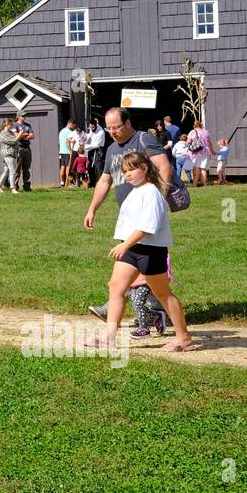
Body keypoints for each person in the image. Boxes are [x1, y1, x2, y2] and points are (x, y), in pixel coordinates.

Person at [90, 150, 193, 352]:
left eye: (131, 170)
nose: (127, 175)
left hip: (150, 250)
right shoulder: (135, 191)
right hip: (131, 248)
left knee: (163, 293)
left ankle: (184, 338)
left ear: (144, 168)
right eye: (124, 171)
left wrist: (124, 245)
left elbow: (147, 227)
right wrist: (126, 244)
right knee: (116, 286)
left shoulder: (152, 192)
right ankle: (109, 337)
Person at [84, 107, 174, 335]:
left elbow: (164, 167)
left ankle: (160, 312)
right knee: (135, 270)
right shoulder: (112, 148)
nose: (112, 132)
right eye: (109, 128)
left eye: (116, 127)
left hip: (146, 215)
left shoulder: (144, 139)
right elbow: (105, 180)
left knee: (145, 264)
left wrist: (159, 203)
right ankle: (155, 310)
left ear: (127, 123)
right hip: (129, 216)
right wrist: (92, 209)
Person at [186, 119, 213, 187]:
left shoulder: (192, 132)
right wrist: (212, 151)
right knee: (203, 169)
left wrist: (187, 144)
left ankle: (195, 184)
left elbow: (188, 141)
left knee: (196, 169)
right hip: (205, 152)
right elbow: (210, 143)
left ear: (193, 126)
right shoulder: (206, 132)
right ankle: (205, 184)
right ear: (201, 125)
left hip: (196, 152)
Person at [0, 118, 20, 193]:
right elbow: (12, 141)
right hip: (7, 153)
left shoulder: (10, 132)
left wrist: (17, 135)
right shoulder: (3, 133)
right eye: (11, 124)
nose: (12, 126)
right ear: (7, 124)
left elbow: (16, 140)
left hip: (12, 153)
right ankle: (13, 189)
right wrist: (19, 135)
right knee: (12, 170)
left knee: (6, 171)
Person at [12, 113, 34, 192]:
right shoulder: (14, 125)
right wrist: (26, 134)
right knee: (17, 169)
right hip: (19, 149)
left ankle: (27, 187)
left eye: (25, 116)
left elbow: (32, 136)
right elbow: (16, 135)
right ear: (18, 116)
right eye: (23, 116)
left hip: (27, 149)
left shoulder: (28, 125)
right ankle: (15, 186)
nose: (24, 117)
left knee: (26, 168)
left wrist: (22, 136)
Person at [84, 117, 107, 185]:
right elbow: (87, 136)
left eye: (93, 127)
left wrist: (85, 146)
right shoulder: (90, 128)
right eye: (91, 127)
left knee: (98, 167)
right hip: (90, 150)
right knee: (90, 167)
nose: (92, 129)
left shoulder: (101, 132)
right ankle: (91, 183)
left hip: (98, 150)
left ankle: (99, 184)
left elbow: (96, 145)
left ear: (96, 125)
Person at [57, 119, 78, 188]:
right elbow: (68, 141)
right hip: (67, 152)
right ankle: (68, 183)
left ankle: (62, 182)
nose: (73, 127)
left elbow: (59, 142)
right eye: (73, 126)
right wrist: (70, 150)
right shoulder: (70, 132)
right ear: (70, 124)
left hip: (61, 152)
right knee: (68, 168)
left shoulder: (61, 131)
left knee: (62, 167)